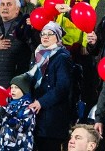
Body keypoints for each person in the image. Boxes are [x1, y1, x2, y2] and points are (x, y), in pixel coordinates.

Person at [28, 21, 75, 151]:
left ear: (58, 37)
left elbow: (62, 87)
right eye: (43, 34)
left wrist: (41, 102)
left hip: (53, 116)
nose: (45, 37)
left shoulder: (62, 57)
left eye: (50, 34)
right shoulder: (38, 55)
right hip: (38, 115)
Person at [0, 73, 37, 151]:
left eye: (16, 87)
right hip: (5, 147)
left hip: (21, 147)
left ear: (24, 90)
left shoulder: (29, 107)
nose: (13, 90)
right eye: (11, 87)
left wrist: (5, 115)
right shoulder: (9, 105)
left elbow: (22, 127)